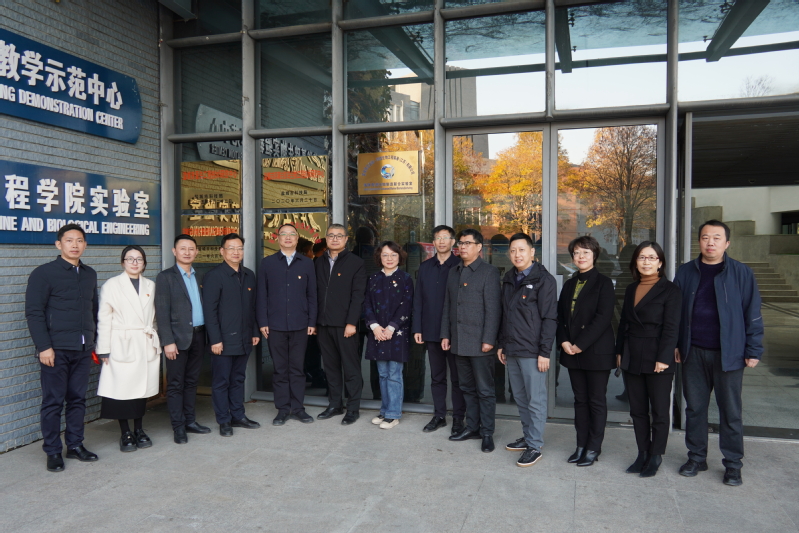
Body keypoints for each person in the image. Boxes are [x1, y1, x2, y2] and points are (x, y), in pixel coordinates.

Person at [674, 220, 764, 487]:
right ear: (699, 241)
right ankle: (696, 457)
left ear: (727, 243)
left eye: (716, 238)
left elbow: (752, 312)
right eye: (705, 237)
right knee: (695, 409)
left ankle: (733, 464)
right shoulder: (686, 271)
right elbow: (676, 313)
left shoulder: (741, 273)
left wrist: (753, 349)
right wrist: (676, 344)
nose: (710, 242)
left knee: (731, 412)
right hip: (693, 352)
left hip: (729, 354)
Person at [25, 224, 100, 472]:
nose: (75, 245)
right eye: (69, 240)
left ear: (85, 245)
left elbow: (93, 310)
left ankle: (75, 445)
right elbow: (34, 312)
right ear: (59, 244)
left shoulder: (89, 274)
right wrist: (44, 347)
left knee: (78, 399)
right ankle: (53, 451)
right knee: (53, 401)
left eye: (79, 240)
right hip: (55, 350)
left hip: (83, 348)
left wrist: (94, 341)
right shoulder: (44, 273)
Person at [616, 241, 681, 478]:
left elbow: (672, 328)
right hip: (632, 354)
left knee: (660, 411)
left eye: (651, 258)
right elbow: (624, 323)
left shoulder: (671, 290)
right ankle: (642, 453)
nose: (646, 262)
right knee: (638, 410)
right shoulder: (631, 288)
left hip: (657, 356)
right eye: (642, 257)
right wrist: (619, 351)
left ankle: (656, 455)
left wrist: (664, 358)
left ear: (660, 263)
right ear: (636, 262)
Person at [497, 233, 557, 467]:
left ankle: (535, 445)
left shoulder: (544, 280)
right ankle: (528, 436)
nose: (517, 254)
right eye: (513, 250)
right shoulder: (509, 278)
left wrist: (544, 352)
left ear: (532, 252)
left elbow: (550, 318)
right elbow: (505, 314)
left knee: (535, 400)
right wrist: (502, 344)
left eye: (522, 250)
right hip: (512, 349)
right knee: (521, 398)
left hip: (533, 351)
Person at [557, 236, 616, 467]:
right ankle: (580, 445)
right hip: (572, 352)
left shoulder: (604, 283)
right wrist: (563, 341)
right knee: (580, 401)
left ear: (594, 255)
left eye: (586, 252)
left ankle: (593, 447)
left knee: (596, 401)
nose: (580, 256)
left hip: (596, 352)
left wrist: (580, 344)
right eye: (577, 253)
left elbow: (603, 318)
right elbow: (560, 317)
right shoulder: (569, 284)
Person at [96, 246, 161, 452]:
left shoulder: (151, 285)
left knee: (142, 390)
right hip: (121, 343)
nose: (134, 262)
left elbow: (155, 317)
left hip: (144, 342)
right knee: (122, 390)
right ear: (122, 262)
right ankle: (125, 432)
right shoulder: (112, 285)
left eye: (139, 259)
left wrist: (155, 339)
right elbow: (104, 318)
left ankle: (139, 429)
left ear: (144, 263)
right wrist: (104, 348)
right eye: (130, 258)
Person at [442, 229, 502, 453]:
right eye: (460, 243)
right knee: (466, 387)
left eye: (468, 243)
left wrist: (489, 339)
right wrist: (446, 334)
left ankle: (487, 433)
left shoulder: (489, 272)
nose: (463, 247)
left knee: (485, 390)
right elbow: (448, 306)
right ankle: (473, 427)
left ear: (479, 247)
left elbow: (494, 309)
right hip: (459, 340)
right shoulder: (454, 271)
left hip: (480, 343)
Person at [257, 223, 317, 426]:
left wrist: (312, 321)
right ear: (278, 238)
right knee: (280, 369)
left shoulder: (307, 263)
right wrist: (263, 321)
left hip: (301, 324)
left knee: (297, 369)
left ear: (297, 239)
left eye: (292, 234)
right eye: (284, 234)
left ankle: (298, 408)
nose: (288, 237)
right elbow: (261, 295)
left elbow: (312, 295)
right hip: (275, 325)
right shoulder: (268, 263)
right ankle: (283, 409)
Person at [155, 234, 212, 444]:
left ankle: (190, 421)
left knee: (191, 382)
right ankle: (178, 427)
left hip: (198, 335)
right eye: (183, 248)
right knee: (176, 384)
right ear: (174, 251)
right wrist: (167, 341)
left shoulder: (200, 276)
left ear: (196, 252)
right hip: (177, 340)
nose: (187, 252)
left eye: (191, 249)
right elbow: (162, 312)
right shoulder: (165, 277)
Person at [202, 233, 261, 436]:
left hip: (244, 338)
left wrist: (254, 331)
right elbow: (209, 311)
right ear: (222, 251)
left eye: (239, 248)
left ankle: (238, 416)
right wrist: (215, 339)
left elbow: (252, 307)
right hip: (223, 340)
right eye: (231, 248)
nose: (236, 252)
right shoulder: (214, 276)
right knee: (221, 382)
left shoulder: (249, 275)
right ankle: (224, 420)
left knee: (238, 379)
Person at [412, 225, 465, 435]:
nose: (441, 241)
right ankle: (439, 415)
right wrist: (418, 327)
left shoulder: (460, 266)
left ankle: (459, 418)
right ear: (433, 243)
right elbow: (418, 299)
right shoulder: (425, 267)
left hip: (455, 332)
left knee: (458, 379)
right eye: (437, 238)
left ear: (453, 242)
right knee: (437, 376)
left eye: (445, 237)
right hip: (431, 330)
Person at [315, 223, 367, 425]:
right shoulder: (318, 262)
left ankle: (353, 408)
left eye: (339, 235)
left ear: (346, 239)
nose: (335, 239)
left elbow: (358, 296)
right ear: (326, 239)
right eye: (331, 235)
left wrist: (352, 322)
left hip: (346, 326)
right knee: (330, 367)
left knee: (351, 368)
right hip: (323, 324)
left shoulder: (356, 262)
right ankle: (335, 404)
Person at [365, 241, 414, 429]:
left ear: (399, 257)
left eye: (393, 255)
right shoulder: (373, 278)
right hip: (377, 332)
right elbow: (367, 304)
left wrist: (392, 327)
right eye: (385, 255)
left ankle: (393, 414)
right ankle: (385, 410)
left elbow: (406, 306)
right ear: (379, 257)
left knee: (394, 374)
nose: (389, 258)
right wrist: (375, 326)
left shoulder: (405, 278)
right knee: (383, 374)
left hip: (397, 333)